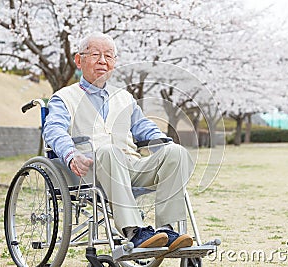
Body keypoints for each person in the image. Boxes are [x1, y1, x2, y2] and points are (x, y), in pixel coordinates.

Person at [43, 31, 194, 251]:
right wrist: (70, 154)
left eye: (109, 56)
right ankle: (134, 232)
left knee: (176, 152)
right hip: (89, 170)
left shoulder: (125, 98)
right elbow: (54, 129)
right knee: (109, 151)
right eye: (95, 54)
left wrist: (162, 142)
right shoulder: (64, 97)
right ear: (78, 60)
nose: (103, 61)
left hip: (130, 166)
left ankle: (167, 231)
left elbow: (145, 128)